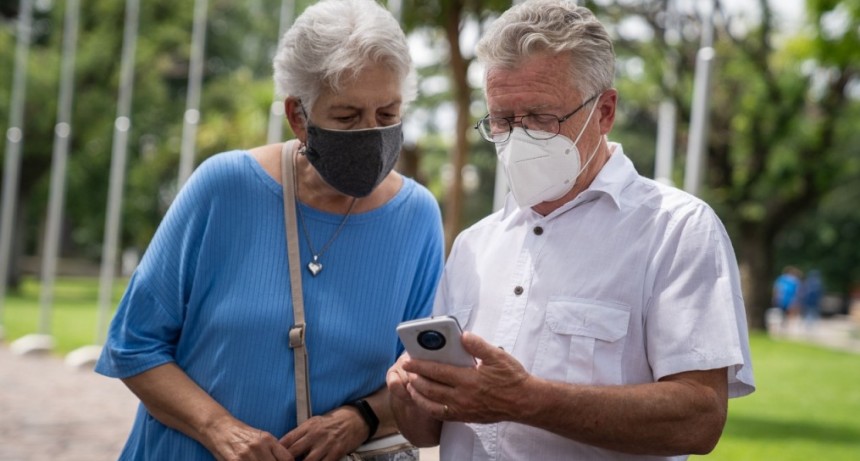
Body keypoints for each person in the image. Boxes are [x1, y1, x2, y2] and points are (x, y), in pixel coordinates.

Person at [387, 1, 755, 460]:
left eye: (542, 119)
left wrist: (527, 399)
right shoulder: (476, 244)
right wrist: (411, 394)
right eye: (502, 120)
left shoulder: (676, 230)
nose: (518, 139)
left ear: (604, 112)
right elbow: (429, 432)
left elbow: (698, 419)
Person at [95, 1, 444, 460]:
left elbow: (423, 375)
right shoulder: (224, 187)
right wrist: (218, 429)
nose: (371, 135)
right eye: (347, 117)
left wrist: (361, 418)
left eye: (387, 114)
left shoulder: (416, 217)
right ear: (298, 116)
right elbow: (134, 344)